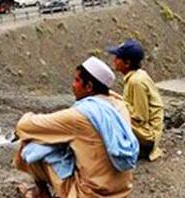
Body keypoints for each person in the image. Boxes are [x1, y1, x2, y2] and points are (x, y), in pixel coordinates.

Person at [14, 57, 137, 198]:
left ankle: (41, 192)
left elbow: (24, 126)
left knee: (31, 143)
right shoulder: (119, 106)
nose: (73, 85)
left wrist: (28, 116)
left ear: (89, 87)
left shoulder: (81, 115)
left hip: (90, 194)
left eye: (77, 80)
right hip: (122, 192)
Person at [108, 39, 164, 161]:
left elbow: (140, 116)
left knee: (109, 115)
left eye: (117, 58)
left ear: (127, 63)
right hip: (146, 129)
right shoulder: (136, 76)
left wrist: (115, 104)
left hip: (148, 136)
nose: (114, 60)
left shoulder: (136, 82)